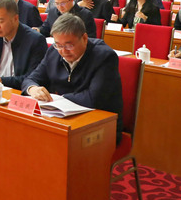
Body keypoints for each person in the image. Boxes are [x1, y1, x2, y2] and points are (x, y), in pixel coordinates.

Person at [22, 14, 123, 144]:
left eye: (69, 45)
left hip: (99, 126)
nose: (63, 51)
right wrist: (32, 89)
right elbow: (31, 79)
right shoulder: (53, 52)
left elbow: (94, 99)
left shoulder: (104, 57)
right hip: (61, 120)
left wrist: (57, 99)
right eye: (58, 45)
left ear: (84, 38)